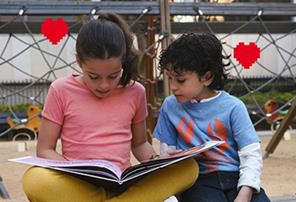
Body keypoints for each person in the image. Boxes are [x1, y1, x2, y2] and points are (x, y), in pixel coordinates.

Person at [22, 13, 198, 202]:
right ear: (79, 62)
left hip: (122, 183)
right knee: (34, 180)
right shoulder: (60, 90)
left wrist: (159, 160)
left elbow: (139, 144)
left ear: (122, 62)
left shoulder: (135, 91)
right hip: (77, 185)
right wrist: (72, 169)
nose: (104, 85)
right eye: (94, 77)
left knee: (188, 168)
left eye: (113, 76)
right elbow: (45, 149)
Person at [153, 32, 271, 202]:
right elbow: (167, 157)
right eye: (169, 78)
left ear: (207, 77)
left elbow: (251, 155)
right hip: (199, 181)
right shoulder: (170, 107)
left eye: (180, 80)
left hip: (237, 178)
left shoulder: (233, 107)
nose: (172, 87)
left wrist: (245, 194)